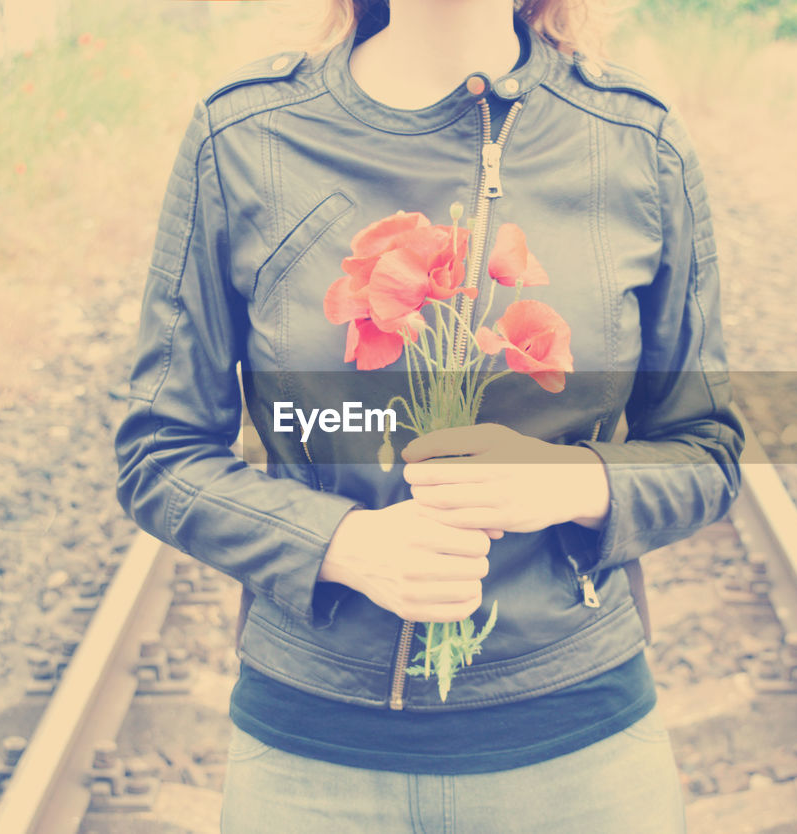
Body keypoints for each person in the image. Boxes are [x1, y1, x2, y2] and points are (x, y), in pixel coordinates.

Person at [114, 0, 744, 830]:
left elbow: (709, 450)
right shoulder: (245, 139)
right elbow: (158, 453)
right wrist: (340, 545)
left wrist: (568, 482)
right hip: (312, 764)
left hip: (577, 756)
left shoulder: (634, 144)